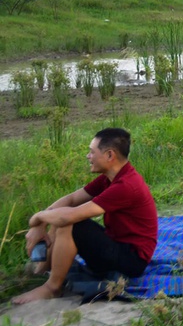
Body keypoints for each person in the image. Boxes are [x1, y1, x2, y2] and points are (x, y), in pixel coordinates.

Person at [14, 128, 157, 304]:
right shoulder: (110, 177)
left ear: (109, 155)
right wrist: (41, 224)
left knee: (70, 222)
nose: (88, 156)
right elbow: (72, 199)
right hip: (117, 245)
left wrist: (36, 219)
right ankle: (44, 268)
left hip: (132, 260)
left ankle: (53, 288)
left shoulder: (126, 185)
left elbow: (69, 216)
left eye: (92, 152)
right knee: (60, 216)